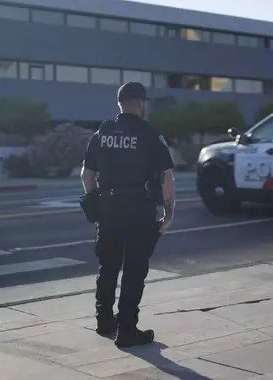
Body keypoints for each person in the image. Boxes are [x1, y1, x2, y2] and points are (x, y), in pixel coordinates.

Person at [80, 81, 175, 348]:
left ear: (119, 103)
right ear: (141, 103)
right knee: (134, 270)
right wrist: (168, 214)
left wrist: (96, 202)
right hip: (138, 209)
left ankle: (104, 321)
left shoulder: (102, 133)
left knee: (108, 266)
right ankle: (127, 330)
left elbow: (87, 175)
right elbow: (167, 179)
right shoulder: (149, 135)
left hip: (108, 209)